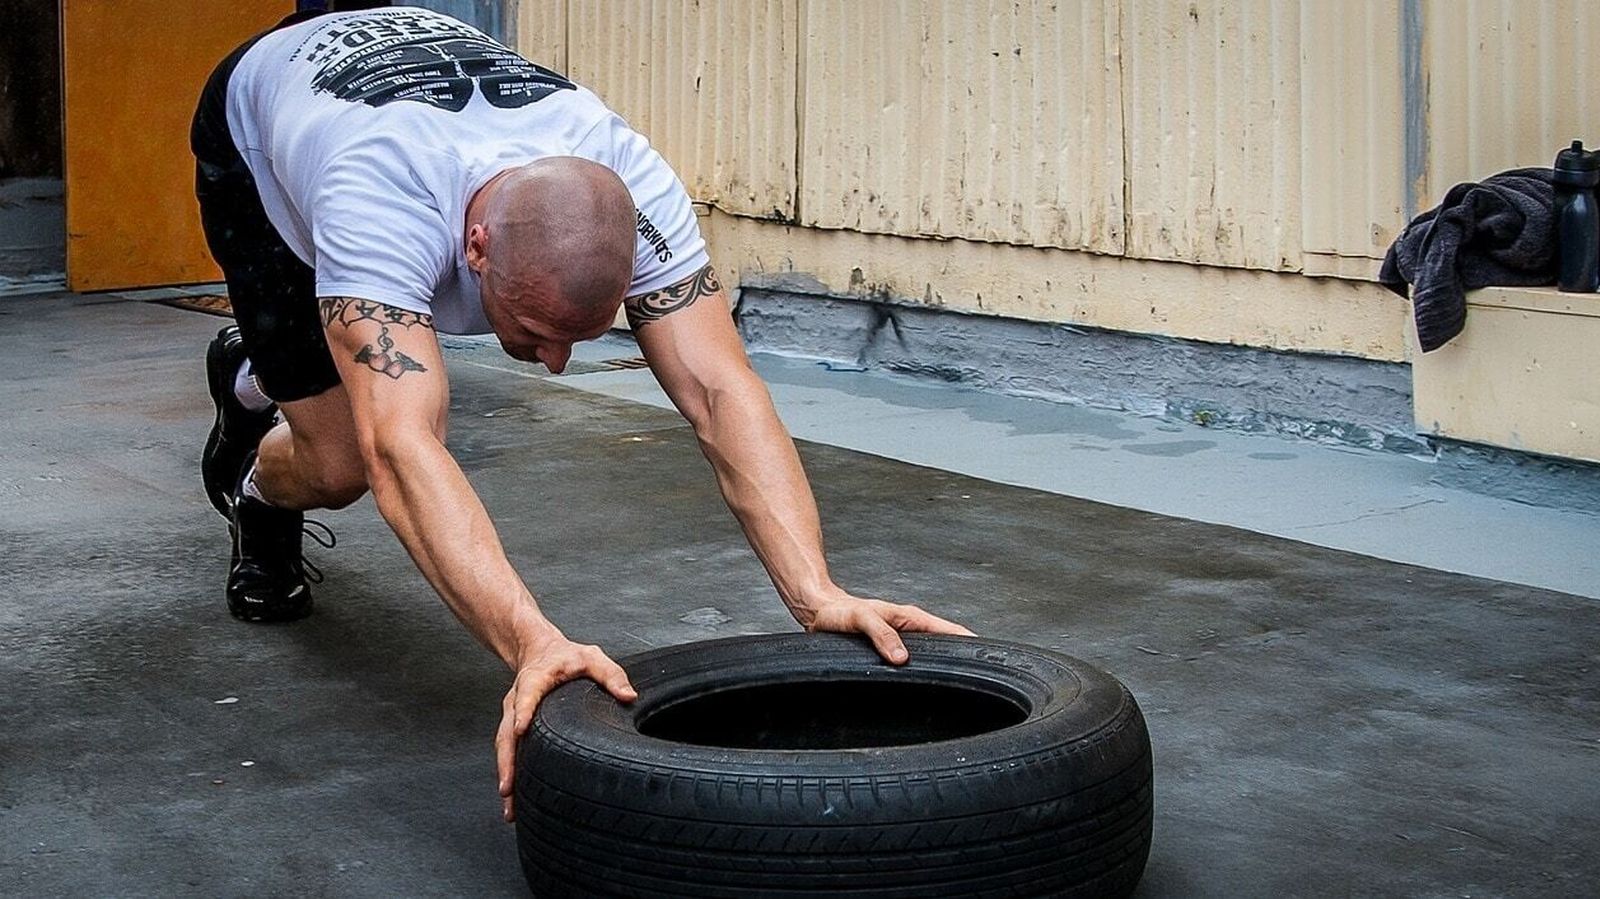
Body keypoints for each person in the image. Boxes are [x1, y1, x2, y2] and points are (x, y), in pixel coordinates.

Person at [189, 6, 973, 822]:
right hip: (259, 135)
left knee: (355, 425)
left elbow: (720, 390)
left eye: (581, 338)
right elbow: (402, 448)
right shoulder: (376, 200)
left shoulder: (634, 182)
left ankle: (267, 380)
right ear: (476, 248)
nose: (557, 363)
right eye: (536, 330)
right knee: (343, 463)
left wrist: (816, 591)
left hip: (406, 83)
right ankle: (256, 448)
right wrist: (532, 640)